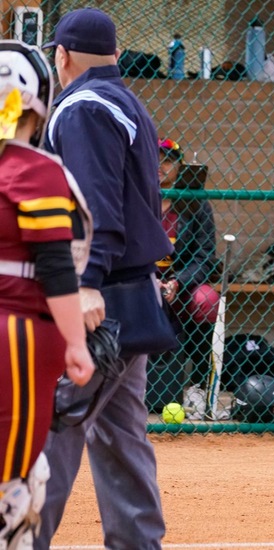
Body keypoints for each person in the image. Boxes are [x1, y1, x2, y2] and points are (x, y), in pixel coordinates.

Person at [36, 8, 174, 548]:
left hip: (98, 298)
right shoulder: (124, 101)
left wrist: (84, 284)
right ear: (113, 55)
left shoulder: (83, 108)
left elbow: (97, 208)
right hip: (130, 295)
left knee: (53, 421)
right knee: (119, 432)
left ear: (62, 56)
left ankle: (19, 538)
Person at [0, 39, 95, 550]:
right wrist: (76, 342)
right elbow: (55, 267)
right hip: (14, 330)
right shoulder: (32, 170)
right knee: (16, 481)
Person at [150, 138, 220, 416]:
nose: (160, 165)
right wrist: (148, 279)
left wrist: (178, 281)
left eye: (167, 160)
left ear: (179, 167)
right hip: (144, 282)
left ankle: (198, 385)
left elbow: (205, 255)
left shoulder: (195, 203)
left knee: (207, 299)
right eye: (154, 158)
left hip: (182, 284)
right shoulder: (138, 197)